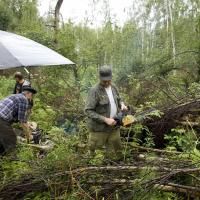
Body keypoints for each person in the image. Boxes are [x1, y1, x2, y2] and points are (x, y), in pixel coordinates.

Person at [85, 66, 128, 159]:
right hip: (99, 130)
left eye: (109, 80)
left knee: (116, 155)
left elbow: (119, 99)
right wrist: (105, 119)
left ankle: (113, 170)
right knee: (96, 157)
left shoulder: (113, 87)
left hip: (114, 127)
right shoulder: (94, 91)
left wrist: (122, 104)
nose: (107, 82)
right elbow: (88, 110)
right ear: (100, 78)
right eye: (104, 81)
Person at [0, 86, 37, 155]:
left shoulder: (14, 96)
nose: (31, 98)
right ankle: (11, 162)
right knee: (12, 139)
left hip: (2, 119)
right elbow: (22, 121)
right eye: (32, 96)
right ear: (29, 94)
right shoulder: (24, 99)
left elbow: (17, 117)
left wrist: (28, 124)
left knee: (2, 141)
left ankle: (2, 159)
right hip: (1, 119)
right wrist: (29, 136)